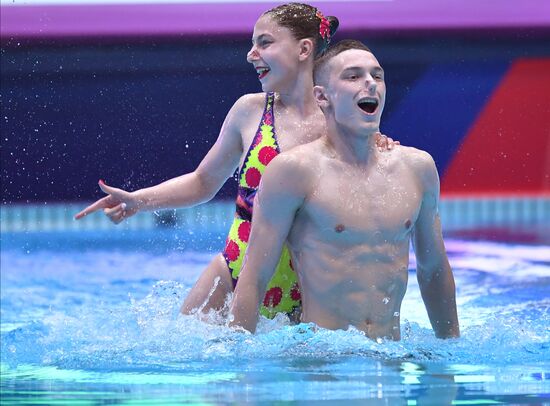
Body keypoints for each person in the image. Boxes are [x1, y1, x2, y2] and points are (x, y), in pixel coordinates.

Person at [75, 4, 398, 319]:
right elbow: (204, 181)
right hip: (234, 272)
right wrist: (138, 202)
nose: (251, 53)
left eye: (265, 42)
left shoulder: (341, 117)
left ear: (303, 49)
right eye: (252, 43)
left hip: (312, 288)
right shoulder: (250, 112)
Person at [229, 40, 460, 340]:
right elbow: (254, 277)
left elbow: (433, 270)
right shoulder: (294, 172)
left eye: (377, 76)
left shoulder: (417, 168)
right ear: (322, 96)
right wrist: (237, 360)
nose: (370, 83)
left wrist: (451, 356)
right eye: (353, 76)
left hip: (389, 360)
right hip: (322, 361)